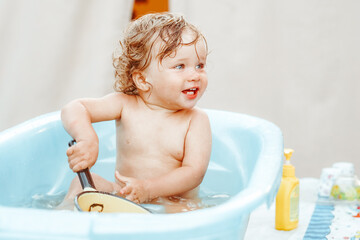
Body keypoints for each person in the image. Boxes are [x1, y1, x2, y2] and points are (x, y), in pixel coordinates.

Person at [60, 13, 212, 212]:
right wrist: (88, 139)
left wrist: (149, 189)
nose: (194, 75)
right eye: (180, 66)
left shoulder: (196, 121)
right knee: (80, 185)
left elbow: (194, 173)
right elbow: (74, 108)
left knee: (183, 211)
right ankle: (59, 225)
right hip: (123, 196)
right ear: (142, 79)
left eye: (200, 65)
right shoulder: (125, 105)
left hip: (171, 203)